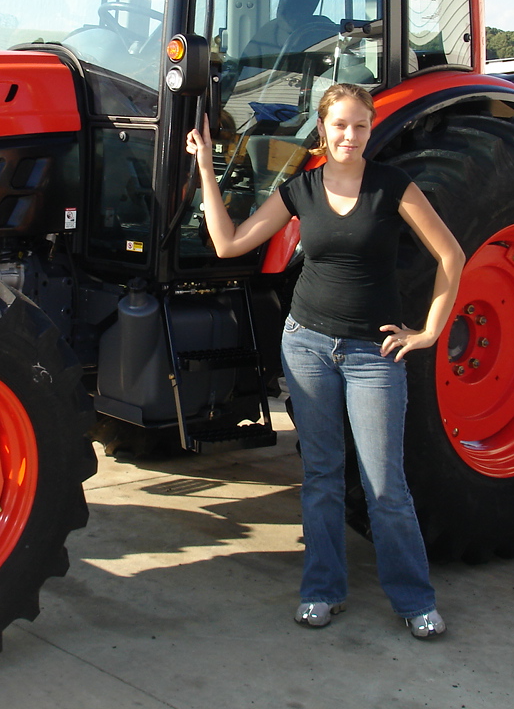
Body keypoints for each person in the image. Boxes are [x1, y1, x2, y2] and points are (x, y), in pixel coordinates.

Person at [185, 82, 464, 638]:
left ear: (370, 128)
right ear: (322, 128)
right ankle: (322, 590)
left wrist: (431, 330)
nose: (350, 136)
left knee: (385, 485)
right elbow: (229, 244)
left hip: (373, 354)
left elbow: (451, 254)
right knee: (321, 477)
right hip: (307, 345)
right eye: (340, 125)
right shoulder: (301, 189)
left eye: (360, 125)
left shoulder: (392, 186)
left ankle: (414, 599)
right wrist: (207, 171)